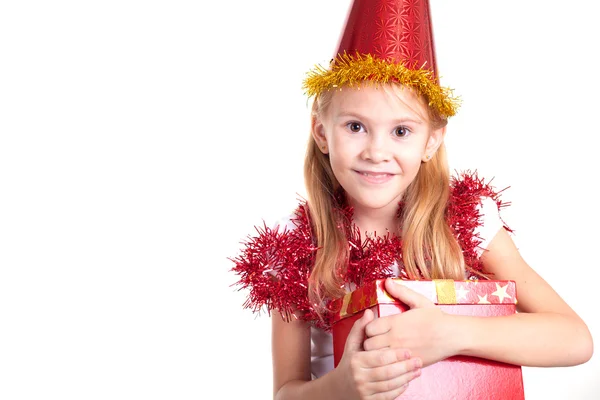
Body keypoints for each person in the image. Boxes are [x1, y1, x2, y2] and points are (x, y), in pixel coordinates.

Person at [230, 0, 593, 399]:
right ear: (321, 133)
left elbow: (574, 339)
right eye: (355, 126)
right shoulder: (298, 247)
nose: (376, 151)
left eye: (401, 131)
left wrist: (452, 334)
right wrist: (342, 386)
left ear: (431, 140)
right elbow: (286, 392)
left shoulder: (467, 221)